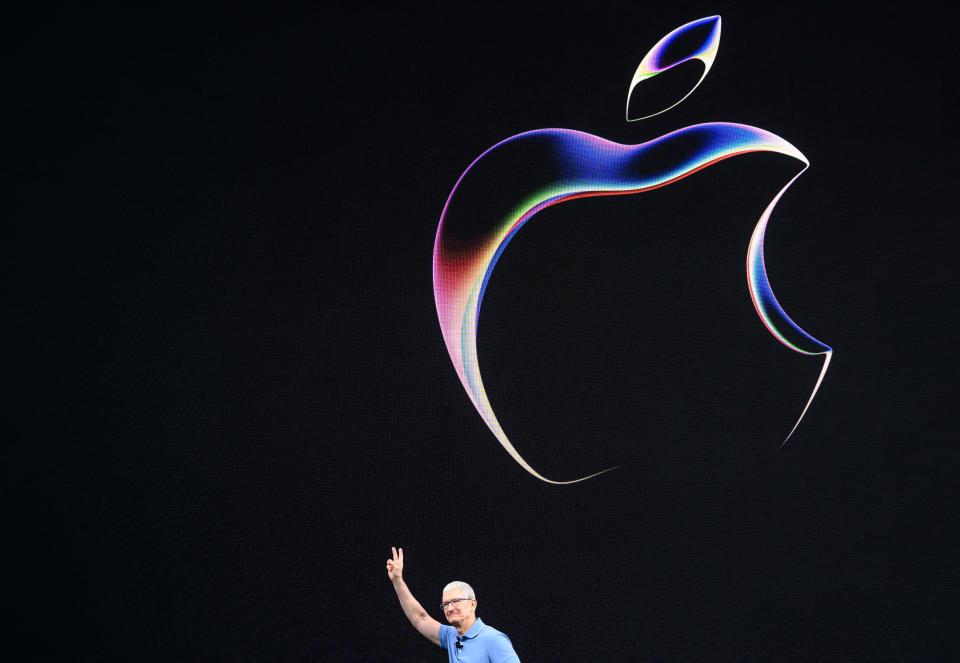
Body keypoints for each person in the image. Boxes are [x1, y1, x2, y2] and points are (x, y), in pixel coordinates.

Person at [386, 546, 521, 662]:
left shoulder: (494, 640)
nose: (450, 608)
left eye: (456, 601)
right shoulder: (451, 635)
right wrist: (398, 581)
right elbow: (420, 618)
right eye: (445, 604)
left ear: (473, 604)